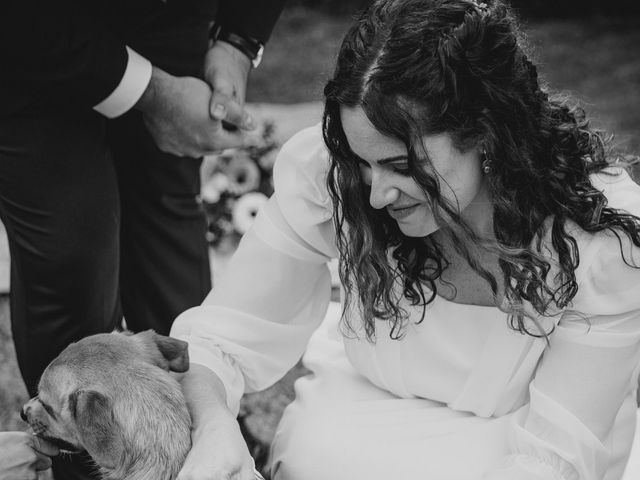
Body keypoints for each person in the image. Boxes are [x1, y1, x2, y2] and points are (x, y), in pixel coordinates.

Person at [170, 0, 640, 479]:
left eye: (401, 166)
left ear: (485, 135)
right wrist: (212, 425)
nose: (375, 196)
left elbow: (555, 461)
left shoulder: (598, 244)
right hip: (354, 426)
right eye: (361, 161)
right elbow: (218, 337)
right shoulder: (332, 178)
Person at [0, 0, 285, 479]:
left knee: (169, 237)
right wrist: (149, 93)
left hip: (169, 21)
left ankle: (208, 439)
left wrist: (238, 40)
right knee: (73, 245)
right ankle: (80, 458)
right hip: (28, 42)